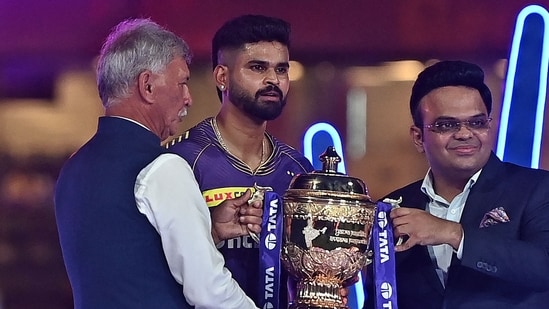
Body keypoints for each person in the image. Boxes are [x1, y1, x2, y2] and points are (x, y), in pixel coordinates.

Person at [54, 18, 261, 309]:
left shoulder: (72, 169)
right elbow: (209, 291)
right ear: (148, 86)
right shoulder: (163, 168)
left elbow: (123, 260)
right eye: (182, 82)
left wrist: (208, 230)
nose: (188, 98)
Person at [365, 60, 549, 308]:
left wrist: (452, 233)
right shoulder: (391, 209)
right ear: (418, 137)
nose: (464, 133)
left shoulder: (536, 189)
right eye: (446, 125)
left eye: (477, 122)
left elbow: (542, 266)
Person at [166, 15, 314, 307]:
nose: (273, 80)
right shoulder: (179, 160)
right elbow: (155, 262)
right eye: (258, 67)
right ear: (222, 77)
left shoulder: (299, 171)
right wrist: (211, 230)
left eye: (281, 69)